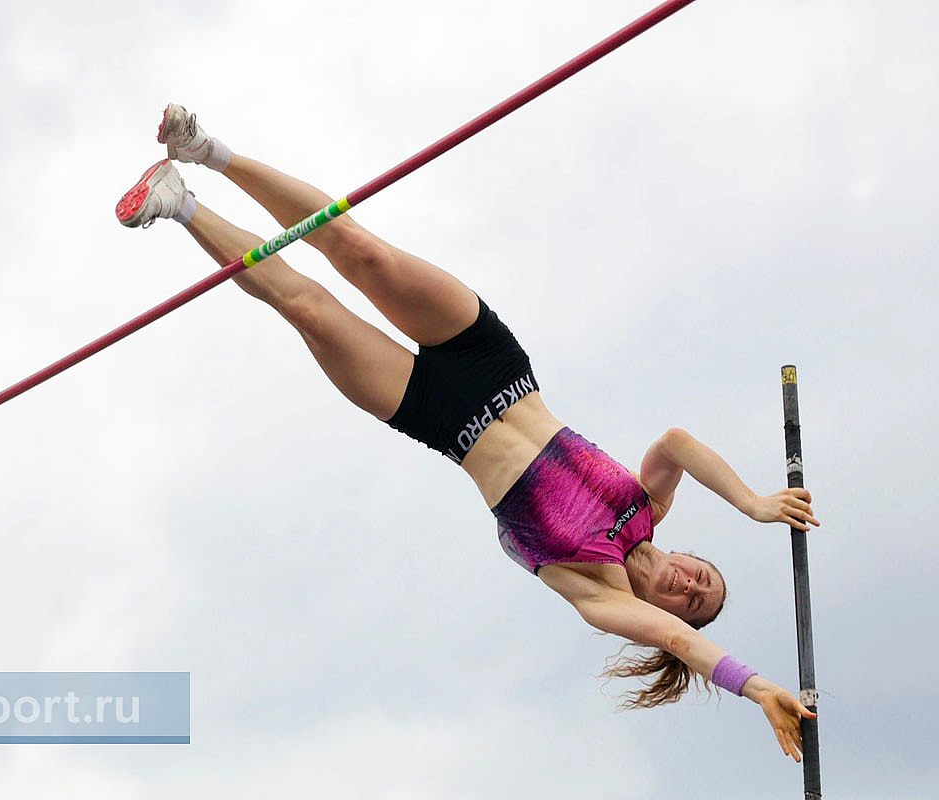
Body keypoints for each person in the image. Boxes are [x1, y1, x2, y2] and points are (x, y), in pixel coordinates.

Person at [115, 104, 821, 761]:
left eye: (693, 602)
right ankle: (206, 151)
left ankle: (180, 202)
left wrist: (756, 687)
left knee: (311, 311)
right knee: (362, 250)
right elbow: (675, 442)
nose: (692, 587)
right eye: (706, 577)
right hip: (495, 365)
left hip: (441, 419)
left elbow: (674, 642)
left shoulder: (598, 595)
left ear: (667, 611)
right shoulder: (646, 505)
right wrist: (754, 505)